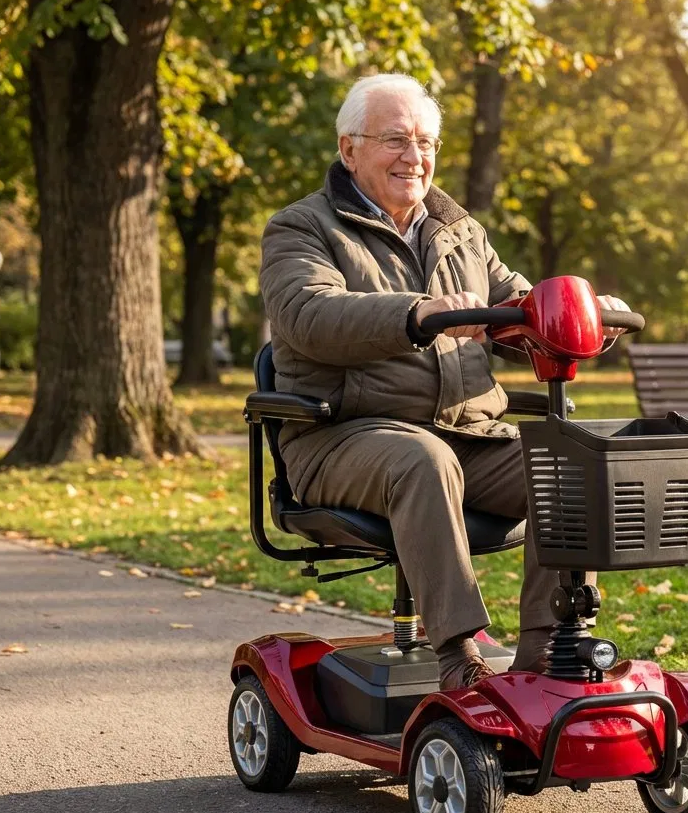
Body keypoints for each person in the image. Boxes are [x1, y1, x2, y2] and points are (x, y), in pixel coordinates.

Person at [260, 73, 630, 690]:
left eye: (426, 141)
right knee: (424, 460)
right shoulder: (302, 228)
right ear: (349, 149)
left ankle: (548, 657)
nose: (415, 157)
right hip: (341, 437)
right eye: (395, 140)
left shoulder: (459, 231)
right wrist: (416, 312)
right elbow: (307, 315)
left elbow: (518, 307)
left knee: (574, 463)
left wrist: (584, 311)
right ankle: (460, 659)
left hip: (467, 433)